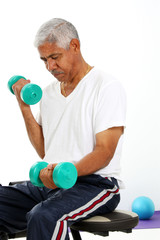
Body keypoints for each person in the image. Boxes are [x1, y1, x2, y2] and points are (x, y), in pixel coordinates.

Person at [0, 18, 126, 240]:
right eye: (44, 60)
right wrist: (24, 107)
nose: (50, 67)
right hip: (52, 182)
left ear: (74, 46)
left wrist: (67, 174)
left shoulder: (106, 87)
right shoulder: (48, 93)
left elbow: (105, 152)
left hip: (96, 184)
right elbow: (45, 151)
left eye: (55, 57)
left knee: (44, 216)